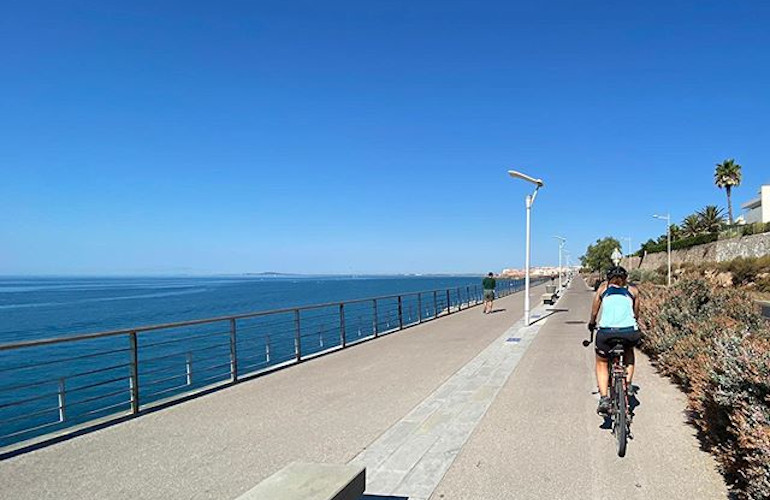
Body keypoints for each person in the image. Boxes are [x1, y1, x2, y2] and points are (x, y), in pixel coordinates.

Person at [587, 266, 641, 415]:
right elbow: (636, 313)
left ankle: (604, 398)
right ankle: (628, 383)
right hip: (629, 332)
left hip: (606, 333)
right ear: (625, 279)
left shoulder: (603, 289)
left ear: (608, 278)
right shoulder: (633, 290)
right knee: (629, 350)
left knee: (602, 362)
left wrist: (592, 323)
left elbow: (594, 311)